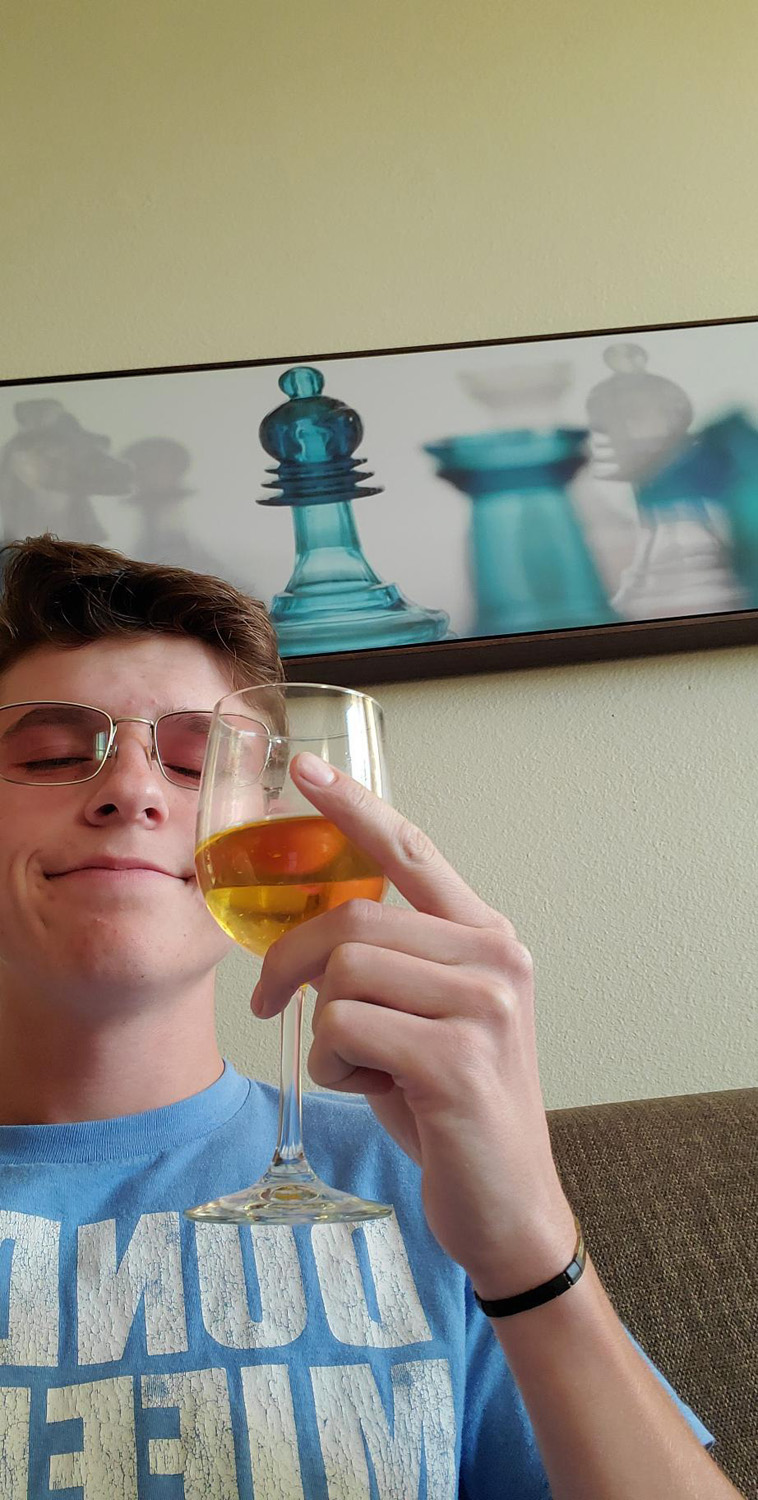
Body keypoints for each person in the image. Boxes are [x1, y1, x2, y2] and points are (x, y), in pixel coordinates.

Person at [0, 533, 738, 1500]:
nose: (131, 790)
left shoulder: (426, 1173)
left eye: (196, 765)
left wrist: (527, 1245)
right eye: (53, 755)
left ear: (261, 818)